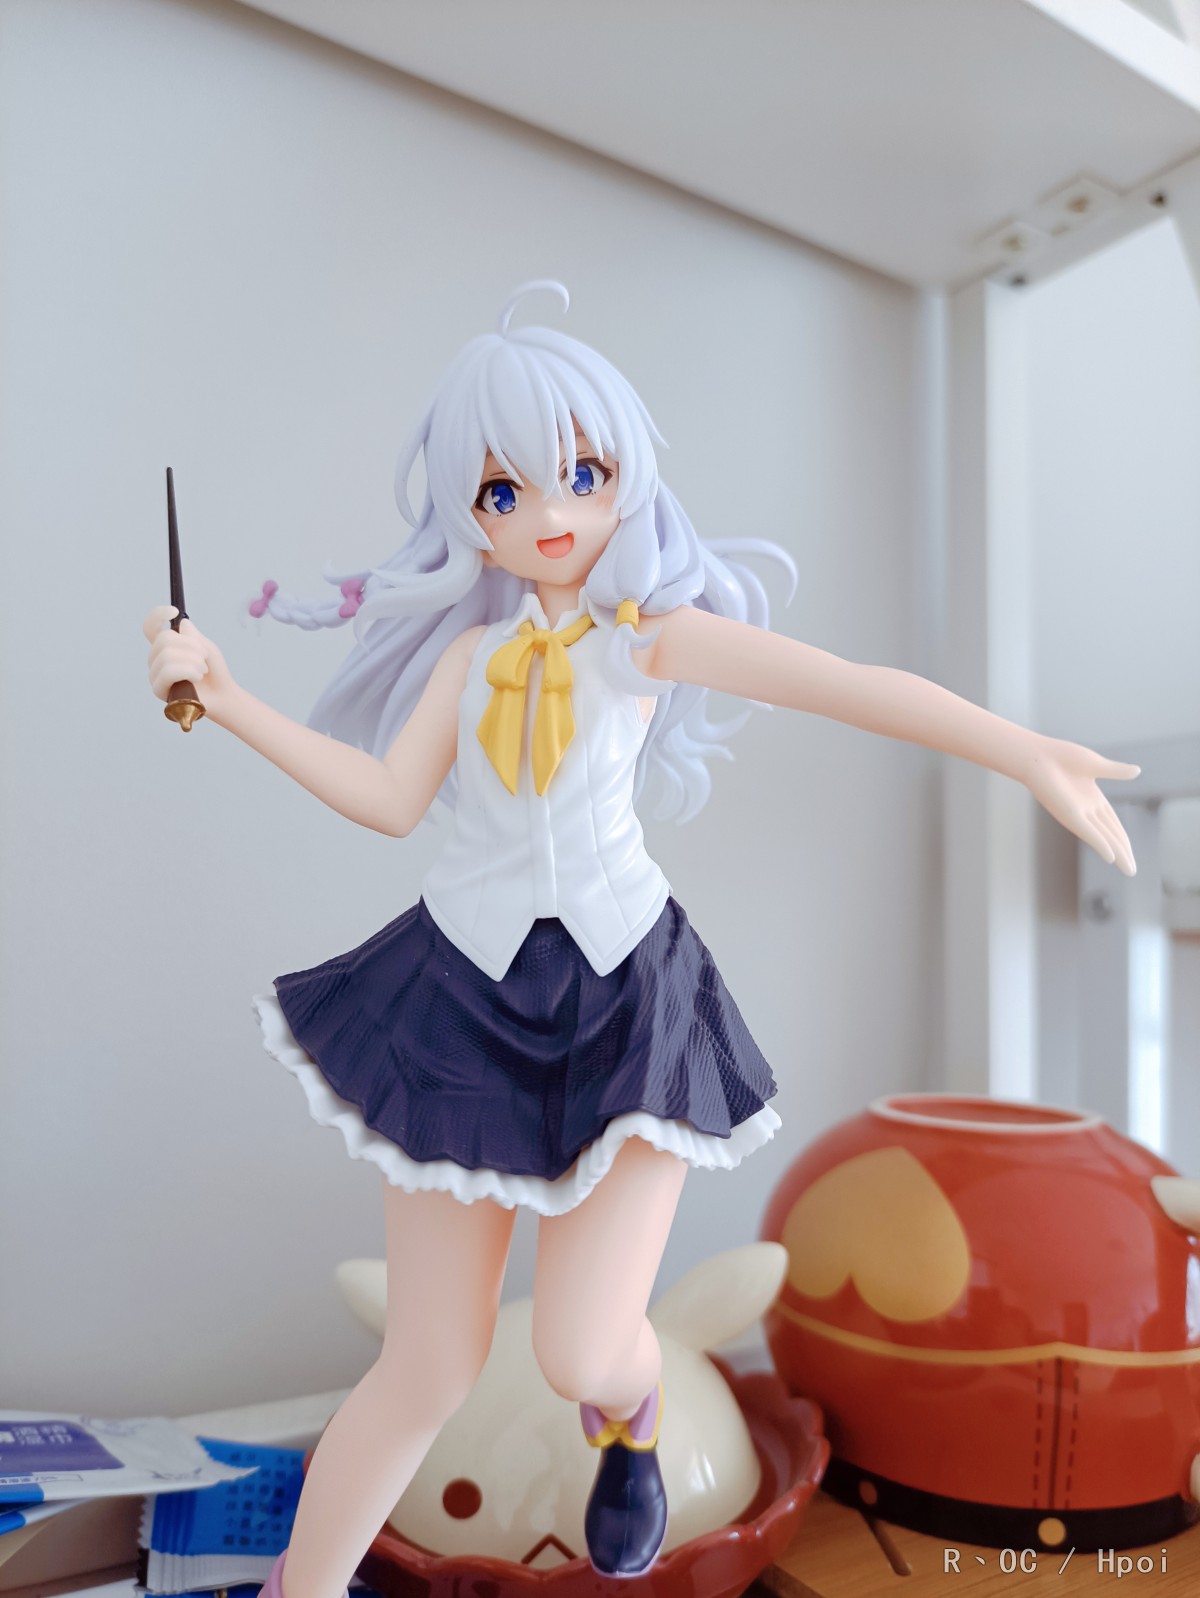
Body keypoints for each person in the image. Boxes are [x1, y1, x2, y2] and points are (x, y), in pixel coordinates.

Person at [144, 282, 1137, 1598]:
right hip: (457, 990)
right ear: (471, 515)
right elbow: (385, 799)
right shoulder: (466, 663)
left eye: (584, 475)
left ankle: (636, 1420)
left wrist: (1024, 751)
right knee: (427, 1363)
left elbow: (850, 686)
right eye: (504, 491)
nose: (550, 514)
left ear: (625, 479)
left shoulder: (648, 643)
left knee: (578, 1351)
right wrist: (224, 699)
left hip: (623, 996)